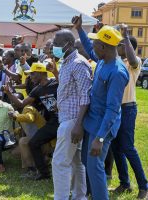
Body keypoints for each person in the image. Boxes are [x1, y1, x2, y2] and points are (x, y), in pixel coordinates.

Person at [72, 15, 129, 199]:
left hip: (102, 127)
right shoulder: (104, 59)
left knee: (95, 167)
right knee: (86, 161)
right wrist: (79, 29)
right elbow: (88, 49)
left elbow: (112, 109)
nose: (93, 46)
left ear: (104, 47)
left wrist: (100, 139)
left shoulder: (117, 72)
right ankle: (94, 194)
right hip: (92, 121)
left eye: (96, 43)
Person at [51, 29, 92, 200]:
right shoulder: (66, 62)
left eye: (57, 43)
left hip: (73, 120)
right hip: (67, 117)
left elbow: (85, 96)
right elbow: (69, 90)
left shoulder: (78, 63)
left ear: (68, 43)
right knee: (76, 162)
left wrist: (78, 125)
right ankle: (79, 197)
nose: (54, 47)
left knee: (60, 162)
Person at [3, 63, 59, 180]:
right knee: (33, 143)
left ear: (41, 73)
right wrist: (9, 93)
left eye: (32, 74)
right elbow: (21, 103)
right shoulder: (37, 89)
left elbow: (65, 84)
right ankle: (44, 173)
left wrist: (55, 71)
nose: (30, 77)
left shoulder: (55, 82)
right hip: (54, 122)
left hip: (67, 119)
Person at [111, 24, 148, 199]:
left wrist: (125, 37)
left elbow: (133, 61)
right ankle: (125, 183)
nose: (117, 47)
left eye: (120, 44)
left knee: (127, 147)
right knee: (116, 147)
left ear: (127, 46)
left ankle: (144, 186)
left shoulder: (135, 62)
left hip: (127, 109)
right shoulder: (117, 62)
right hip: (115, 110)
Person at [8, 93, 55, 178]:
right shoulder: (22, 110)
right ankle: (42, 161)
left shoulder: (28, 108)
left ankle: (31, 169)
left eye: (15, 101)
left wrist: (16, 116)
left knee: (23, 142)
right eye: (12, 102)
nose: (13, 103)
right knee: (14, 152)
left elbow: (29, 118)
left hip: (46, 143)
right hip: (38, 142)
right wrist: (15, 132)